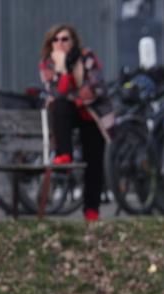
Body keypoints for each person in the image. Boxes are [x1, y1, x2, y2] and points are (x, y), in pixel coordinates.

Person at [38, 24, 114, 221]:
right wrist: (63, 69)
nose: (60, 43)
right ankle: (64, 155)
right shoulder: (48, 63)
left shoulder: (87, 57)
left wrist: (73, 95)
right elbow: (57, 93)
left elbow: (96, 88)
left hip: (91, 113)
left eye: (65, 39)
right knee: (59, 105)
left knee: (94, 160)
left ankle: (92, 209)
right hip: (69, 113)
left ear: (73, 41)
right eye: (56, 40)